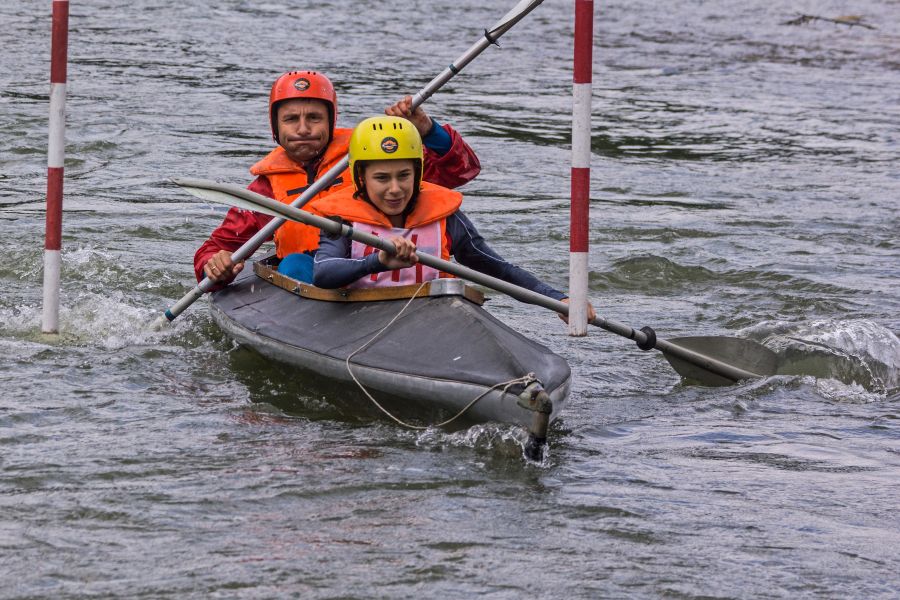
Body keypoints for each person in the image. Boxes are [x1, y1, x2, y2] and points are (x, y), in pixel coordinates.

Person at [194, 70, 481, 287]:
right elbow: (217, 247)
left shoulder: (367, 161)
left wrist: (429, 131)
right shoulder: (266, 188)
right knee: (293, 263)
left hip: (380, 268)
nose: (303, 128)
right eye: (291, 119)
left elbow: (459, 171)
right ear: (275, 126)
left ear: (331, 121)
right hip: (313, 277)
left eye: (315, 118)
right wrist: (214, 264)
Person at [309, 116, 596, 322]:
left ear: (418, 173)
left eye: (404, 176)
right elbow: (323, 273)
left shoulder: (446, 217)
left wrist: (557, 299)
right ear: (361, 178)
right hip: (361, 317)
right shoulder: (342, 219)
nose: (395, 189)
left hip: (432, 319)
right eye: (381, 178)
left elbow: (498, 269)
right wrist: (378, 262)